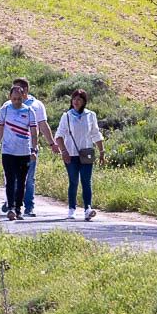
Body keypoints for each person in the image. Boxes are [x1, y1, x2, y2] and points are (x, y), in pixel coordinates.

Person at [2, 77, 58, 217]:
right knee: (12, 178)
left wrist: (51, 143)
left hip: (28, 147)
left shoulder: (36, 105)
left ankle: (28, 206)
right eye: (14, 90)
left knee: (28, 179)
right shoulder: (7, 105)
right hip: (10, 148)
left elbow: (43, 125)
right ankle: (12, 204)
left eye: (19, 89)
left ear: (26, 90)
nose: (16, 92)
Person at [54, 88, 107, 221]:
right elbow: (59, 136)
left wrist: (101, 151)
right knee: (73, 181)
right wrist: (63, 151)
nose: (76, 102)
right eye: (74, 99)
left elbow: (95, 133)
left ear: (84, 102)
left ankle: (87, 208)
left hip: (86, 153)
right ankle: (72, 209)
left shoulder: (90, 115)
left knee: (86, 181)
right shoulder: (66, 116)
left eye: (79, 99)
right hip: (70, 154)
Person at [0, 84, 38, 221]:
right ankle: (11, 207)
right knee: (10, 180)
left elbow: (34, 134)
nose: (17, 101)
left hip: (24, 152)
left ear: (23, 97)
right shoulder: (5, 110)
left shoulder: (29, 111)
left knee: (22, 181)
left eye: (19, 99)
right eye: (14, 99)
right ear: (10, 97)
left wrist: (34, 150)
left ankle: (18, 209)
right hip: (8, 152)